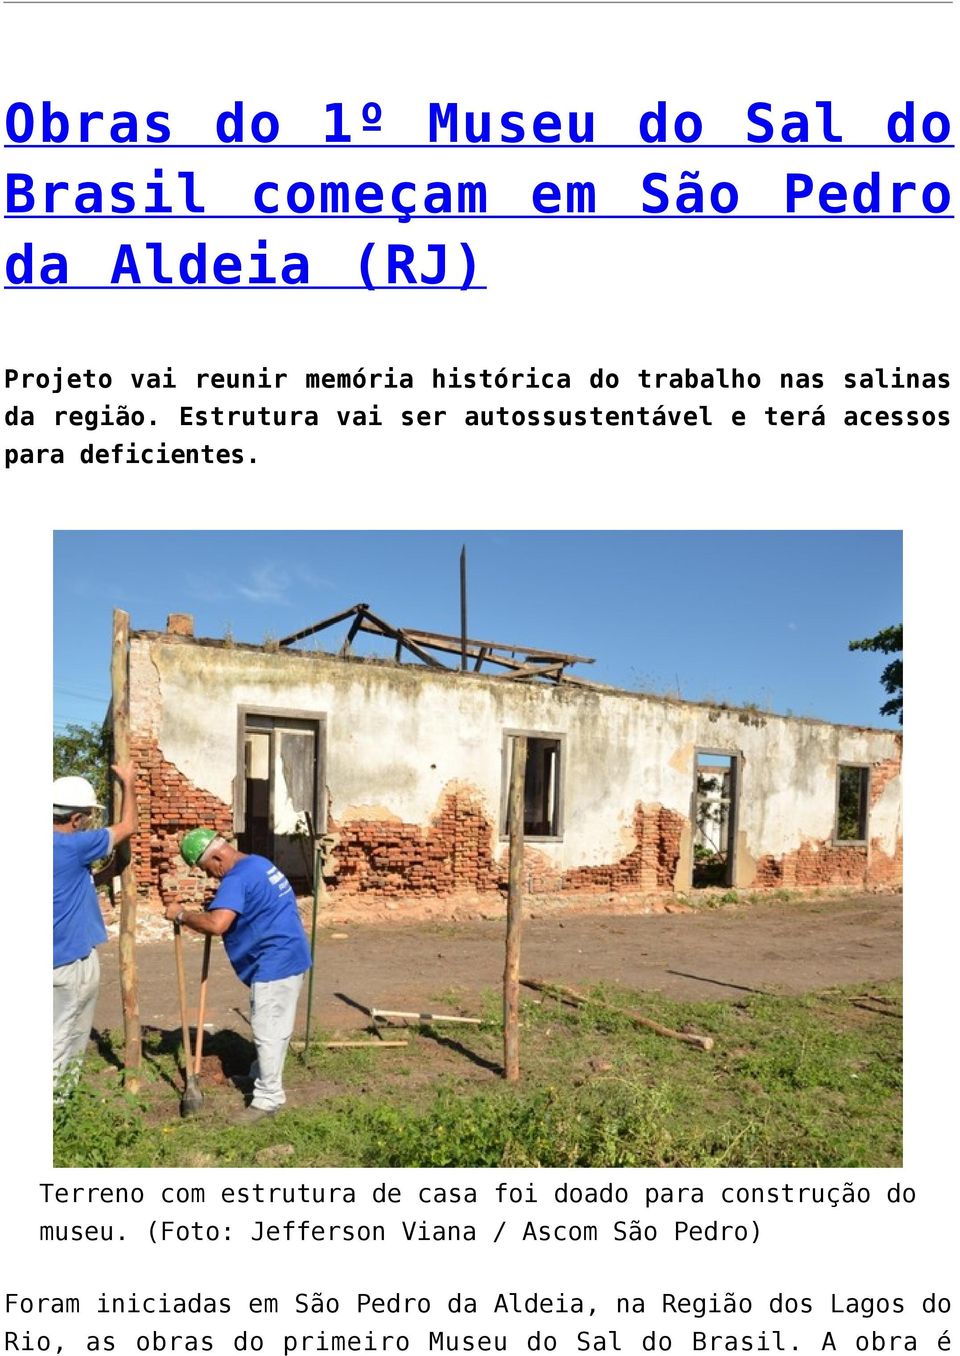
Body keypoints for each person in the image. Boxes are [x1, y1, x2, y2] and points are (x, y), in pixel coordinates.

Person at [167, 830, 311, 1125]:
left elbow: (217, 924)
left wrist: (182, 915)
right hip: (291, 953)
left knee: (269, 1027)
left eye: (209, 870)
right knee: (277, 1024)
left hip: (276, 962)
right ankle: (262, 1071)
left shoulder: (236, 878)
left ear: (218, 857)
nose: (212, 877)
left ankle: (268, 1098)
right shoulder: (257, 863)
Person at [53, 762, 137, 1091]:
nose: (88, 822)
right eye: (86, 816)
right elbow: (129, 825)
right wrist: (128, 783)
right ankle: (57, 1113)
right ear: (75, 819)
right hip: (69, 960)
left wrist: (106, 874)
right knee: (66, 1037)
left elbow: (67, 883)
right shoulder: (73, 845)